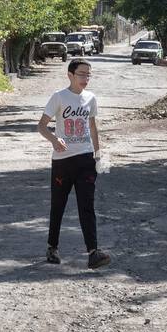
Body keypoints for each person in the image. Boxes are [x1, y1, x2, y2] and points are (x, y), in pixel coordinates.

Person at [38, 59, 111, 269]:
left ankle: (93, 252)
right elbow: (41, 126)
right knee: (58, 206)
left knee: (87, 206)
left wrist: (98, 155)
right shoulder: (59, 97)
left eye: (88, 74)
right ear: (70, 75)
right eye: (81, 74)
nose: (85, 78)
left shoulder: (91, 98)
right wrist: (54, 139)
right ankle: (52, 247)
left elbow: (93, 127)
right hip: (63, 161)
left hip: (86, 159)